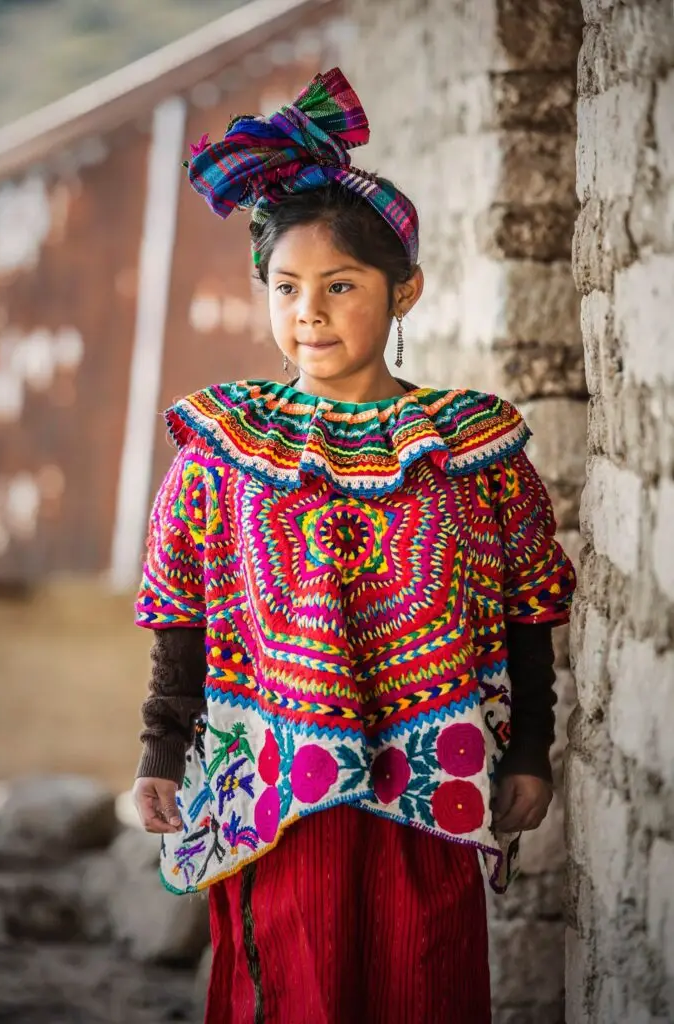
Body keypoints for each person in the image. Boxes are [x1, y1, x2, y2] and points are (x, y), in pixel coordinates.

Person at [132, 68, 576, 1024]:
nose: (311, 313)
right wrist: (161, 749)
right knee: (288, 986)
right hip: (270, 787)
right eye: (287, 288)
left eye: (341, 286)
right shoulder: (226, 446)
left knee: (423, 976)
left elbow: (530, 603)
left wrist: (529, 746)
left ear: (403, 291)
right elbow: (181, 610)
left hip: (429, 788)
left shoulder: (471, 446)